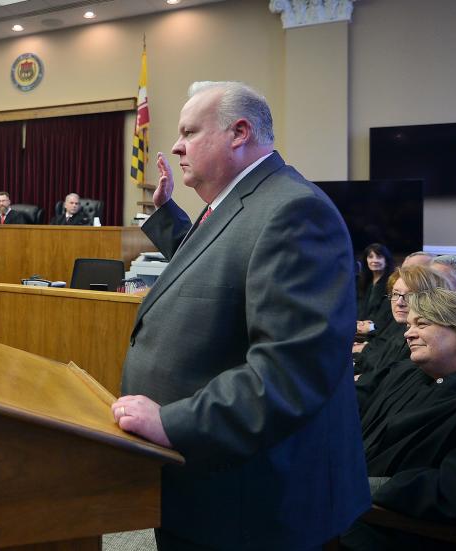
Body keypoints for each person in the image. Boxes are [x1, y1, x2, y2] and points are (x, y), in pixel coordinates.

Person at [113, 80, 369, 550]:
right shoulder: (237, 203)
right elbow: (218, 265)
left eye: (190, 131)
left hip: (251, 502)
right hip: (207, 479)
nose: (175, 144)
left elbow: (292, 369)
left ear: (239, 132)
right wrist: (166, 213)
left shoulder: (295, 211)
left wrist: (173, 422)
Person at [345, 289, 456, 549]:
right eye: (409, 324)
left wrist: (360, 486)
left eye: (422, 324)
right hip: (359, 498)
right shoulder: (419, 372)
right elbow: (364, 404)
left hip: (402, 529)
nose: (408, 333)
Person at [353, 265, 448, 395]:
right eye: (395, 294)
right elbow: (380, 366)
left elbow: (388, 384)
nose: (399, 302)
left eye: (409, 295)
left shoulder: (425, 341)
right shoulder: (401, 327)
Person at [356, 243, 395, 337]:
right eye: (370, 257)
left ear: (386, 260)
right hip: (360, 328)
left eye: (379, 256)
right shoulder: (365, 282)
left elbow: (386, 314)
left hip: (378, 331)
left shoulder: (392, 283)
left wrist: (371, 326)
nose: (374, 260)